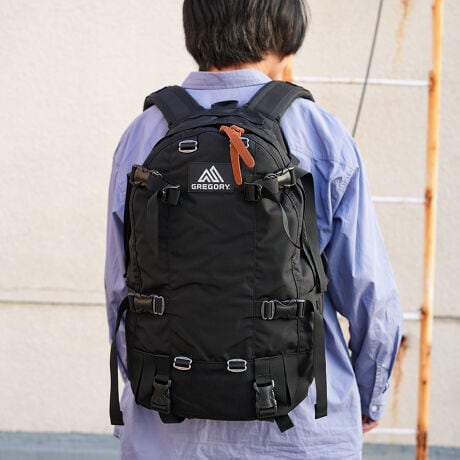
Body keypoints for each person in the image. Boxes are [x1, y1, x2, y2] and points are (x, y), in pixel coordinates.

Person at [105, 1, 403, 458]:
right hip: (301, 430)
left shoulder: (143, 134)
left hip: (166, 433)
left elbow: (120, 290)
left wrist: (144, 391)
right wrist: (369, 394)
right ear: (284, 31)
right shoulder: (318, 132)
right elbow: (371, 294)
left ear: (194, 29)